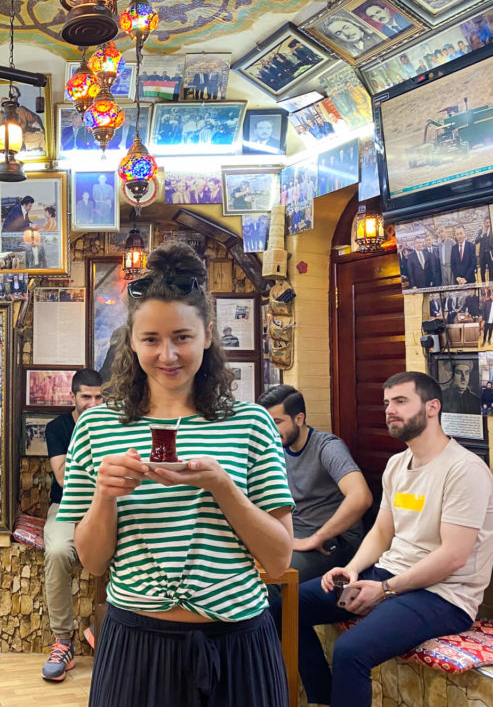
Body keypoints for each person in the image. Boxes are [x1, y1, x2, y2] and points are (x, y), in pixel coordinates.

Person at [57, 242, 294, 706]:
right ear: (131, 342)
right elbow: (92, 562)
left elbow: (280, 559)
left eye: (182, 337)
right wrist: (104, 496)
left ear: (207, 335)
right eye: (151, 340)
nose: (168, 354)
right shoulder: (98, 425)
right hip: (136, 646)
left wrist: (223, 487)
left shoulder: (250, 423)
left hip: (238, 644)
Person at [296, 372, 493, 707]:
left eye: (401, 401)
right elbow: (381, 531)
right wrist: (352, 569)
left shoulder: (464, 470)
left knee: (350, 651)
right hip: (388, 576)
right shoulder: (397, 464)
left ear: (432, 407)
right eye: (387, 403)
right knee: (281, 607)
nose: (390, 410)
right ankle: (321, 698)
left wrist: (387, 590)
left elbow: (453, 556)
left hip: (443, 596)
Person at [256, 386, 371, 590]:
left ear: (299, 419)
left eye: (277, 422)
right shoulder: (277, 449)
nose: (270, 430)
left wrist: (316, 538)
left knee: (271, 580)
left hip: (334, 541)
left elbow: (361, 497)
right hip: (296, 535)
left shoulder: (328, 447)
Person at [41, 369, 104, 682]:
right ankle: (63, 641)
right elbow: (64, 479)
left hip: (106, 507)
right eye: (86, 397)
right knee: (56, 551)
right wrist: (86, 434)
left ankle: (107, 628)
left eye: (99, 397)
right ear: (73, 397)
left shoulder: (115, 426)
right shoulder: (59, 427)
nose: (93, 404)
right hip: (66, 506)